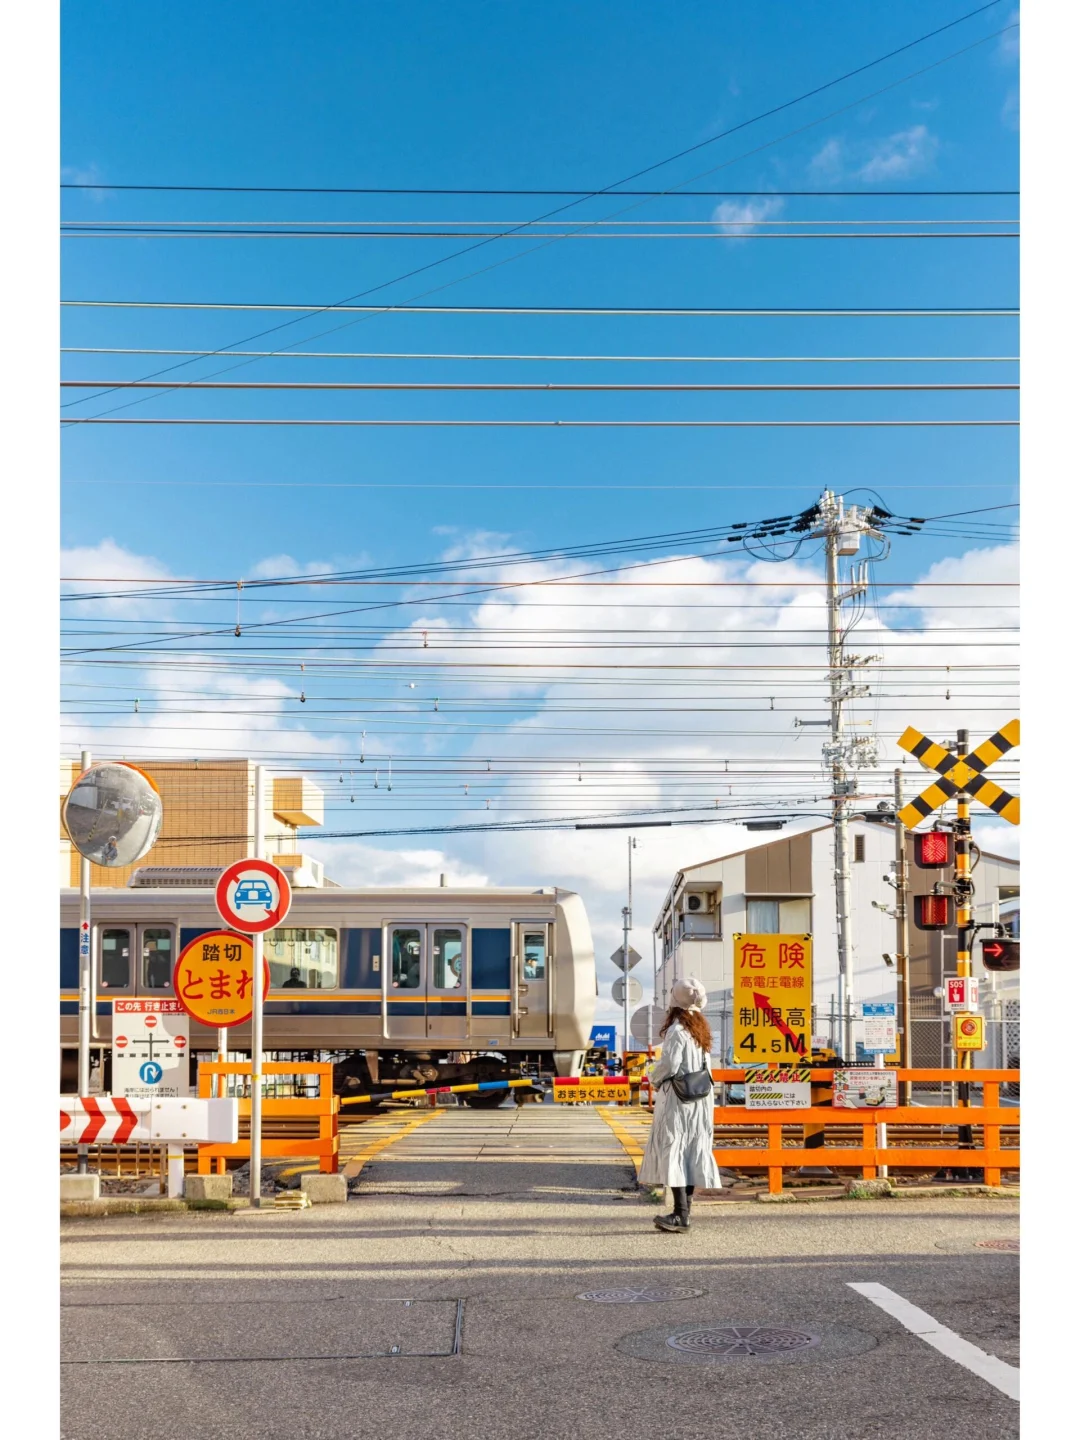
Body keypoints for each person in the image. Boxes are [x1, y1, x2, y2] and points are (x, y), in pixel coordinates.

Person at [638, 976, 721, 1233]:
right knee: (692, 1151)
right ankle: (685, 1212)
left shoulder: (677, 1030)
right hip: (701, 1099)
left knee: (674, 1149)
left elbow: (670, 1066)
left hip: (678, 1098)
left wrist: (653, 1076)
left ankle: (680, 1215)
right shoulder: (701, 1030)